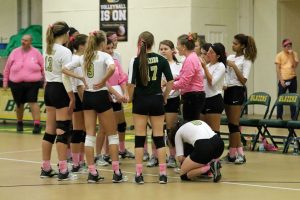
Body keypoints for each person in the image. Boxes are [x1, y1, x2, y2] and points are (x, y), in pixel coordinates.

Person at [63, 30, 125, 183]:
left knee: (90, 135)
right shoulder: (105, 56)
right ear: (102, 43)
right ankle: (117, 172)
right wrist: (104, 80)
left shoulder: (84, 57)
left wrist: (80, 77)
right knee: (112, 135)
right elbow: (111, 68)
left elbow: (64, 69)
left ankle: (92, 172)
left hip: (88, 96)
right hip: (101, 96)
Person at [128, 31, 174, 184]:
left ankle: (139, 174)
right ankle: (162, 174)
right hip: (156, 100)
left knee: (140, 137)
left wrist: (131, 98)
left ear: (140, 42)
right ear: (153, 43)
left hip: (140, 101)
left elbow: (131, 84)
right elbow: (170, 82)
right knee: (159, 137)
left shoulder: (136, 60)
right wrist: (165, 96)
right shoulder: (162, 59)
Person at [41, 21, 79, 181]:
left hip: (49, 89)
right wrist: (71, 97)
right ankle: (63, 170)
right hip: (60, 89)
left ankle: (46, 167)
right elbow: (65, 75)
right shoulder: (64, 51)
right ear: (65, 34)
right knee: (63, 129)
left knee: (50, 130)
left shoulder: (48, 49)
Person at [95, 38, 134, 166]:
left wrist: (125, 93)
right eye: (108, 48)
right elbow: (104, 82)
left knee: (115, 127)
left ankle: (109, 154)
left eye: (112, 48)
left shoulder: (115, 61)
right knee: (103, 128)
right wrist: (116, 94)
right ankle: (98, 155)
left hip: (116, 98)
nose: (111, 51)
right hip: (105, 97)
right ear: (102, 48)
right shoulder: (99, 63)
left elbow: (122, 78)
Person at [223, 33, 257, 164]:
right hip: (228, 90)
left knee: (235, 123)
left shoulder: (246, 60)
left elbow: (243, 80)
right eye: (232, 43)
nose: (233, 45)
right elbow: (225, 73)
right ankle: (232, 153)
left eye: (236, 44)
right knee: (230, 124)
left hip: (237, 90)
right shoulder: (230, 57)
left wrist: (234, 66)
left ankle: (241, 154)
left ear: (242, 45)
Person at [3, 34, 44, 134]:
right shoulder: (14, 52)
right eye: (22, 40)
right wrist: (5, 82)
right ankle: (19, 122)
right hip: (16, 83)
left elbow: (43, 67)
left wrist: (46, 81)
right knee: (19, 104)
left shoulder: (36, 52)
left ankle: (37, 125)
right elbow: (7, 68)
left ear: (30, 42)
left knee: (33, 102)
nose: (23, 42)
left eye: (25, 40)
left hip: (32, 83)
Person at [159, 40, 182, 168]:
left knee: (170, 130)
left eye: (166, 48)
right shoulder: (158, 64)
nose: (163, 51)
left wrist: (168, 83)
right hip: (159, 99)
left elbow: (179, 81)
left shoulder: (179, 65)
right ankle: (156, 156)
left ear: (173, 50)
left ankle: (172, 156)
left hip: (172, 99)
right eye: (161, 49)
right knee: (157, 130)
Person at [68, 34, 88, 173]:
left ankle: (79, 161)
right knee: (78, 130)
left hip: (75, 95)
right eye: (88, 43)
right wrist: (86, 103)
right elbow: (80, 85)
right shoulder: (78, 60)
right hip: (78, 96)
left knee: (80, 131)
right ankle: (76, 164)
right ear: (81, 46)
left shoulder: (74, 58)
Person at [173, 33, 205, 122]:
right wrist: (173, 79)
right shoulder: (190, 57)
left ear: (183, 46)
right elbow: (182, 76)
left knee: (190, 124)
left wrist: (169, 85)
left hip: (193, 96)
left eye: (178, 45)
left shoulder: (190, 59)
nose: (176, 47)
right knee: (190, 123)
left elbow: (184, 82)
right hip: (193, 95)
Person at [200, 43, 226, 136]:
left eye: (211, 52)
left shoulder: (220, 66)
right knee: (203, 130)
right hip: (204, 99)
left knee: (214, 131)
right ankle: (205, 150)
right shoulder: (208, 65)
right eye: (208, 51)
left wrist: (204, 67)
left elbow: (212, 82)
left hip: (214, 99)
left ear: (218, 55)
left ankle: (216, 150)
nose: (208, 53)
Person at [275, 38, 299, 120]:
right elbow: (277, 69)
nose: (288, 47)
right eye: (286, 46)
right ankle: (279, 117)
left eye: (289, 45)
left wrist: (292, 55)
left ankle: (294, 117)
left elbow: (295, 66)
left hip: (292, 79)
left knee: (293, 99)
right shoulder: (279, 55)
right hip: (283, 79)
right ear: (283, 46)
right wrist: (281, 80)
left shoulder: (294, 54)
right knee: (280, 98)